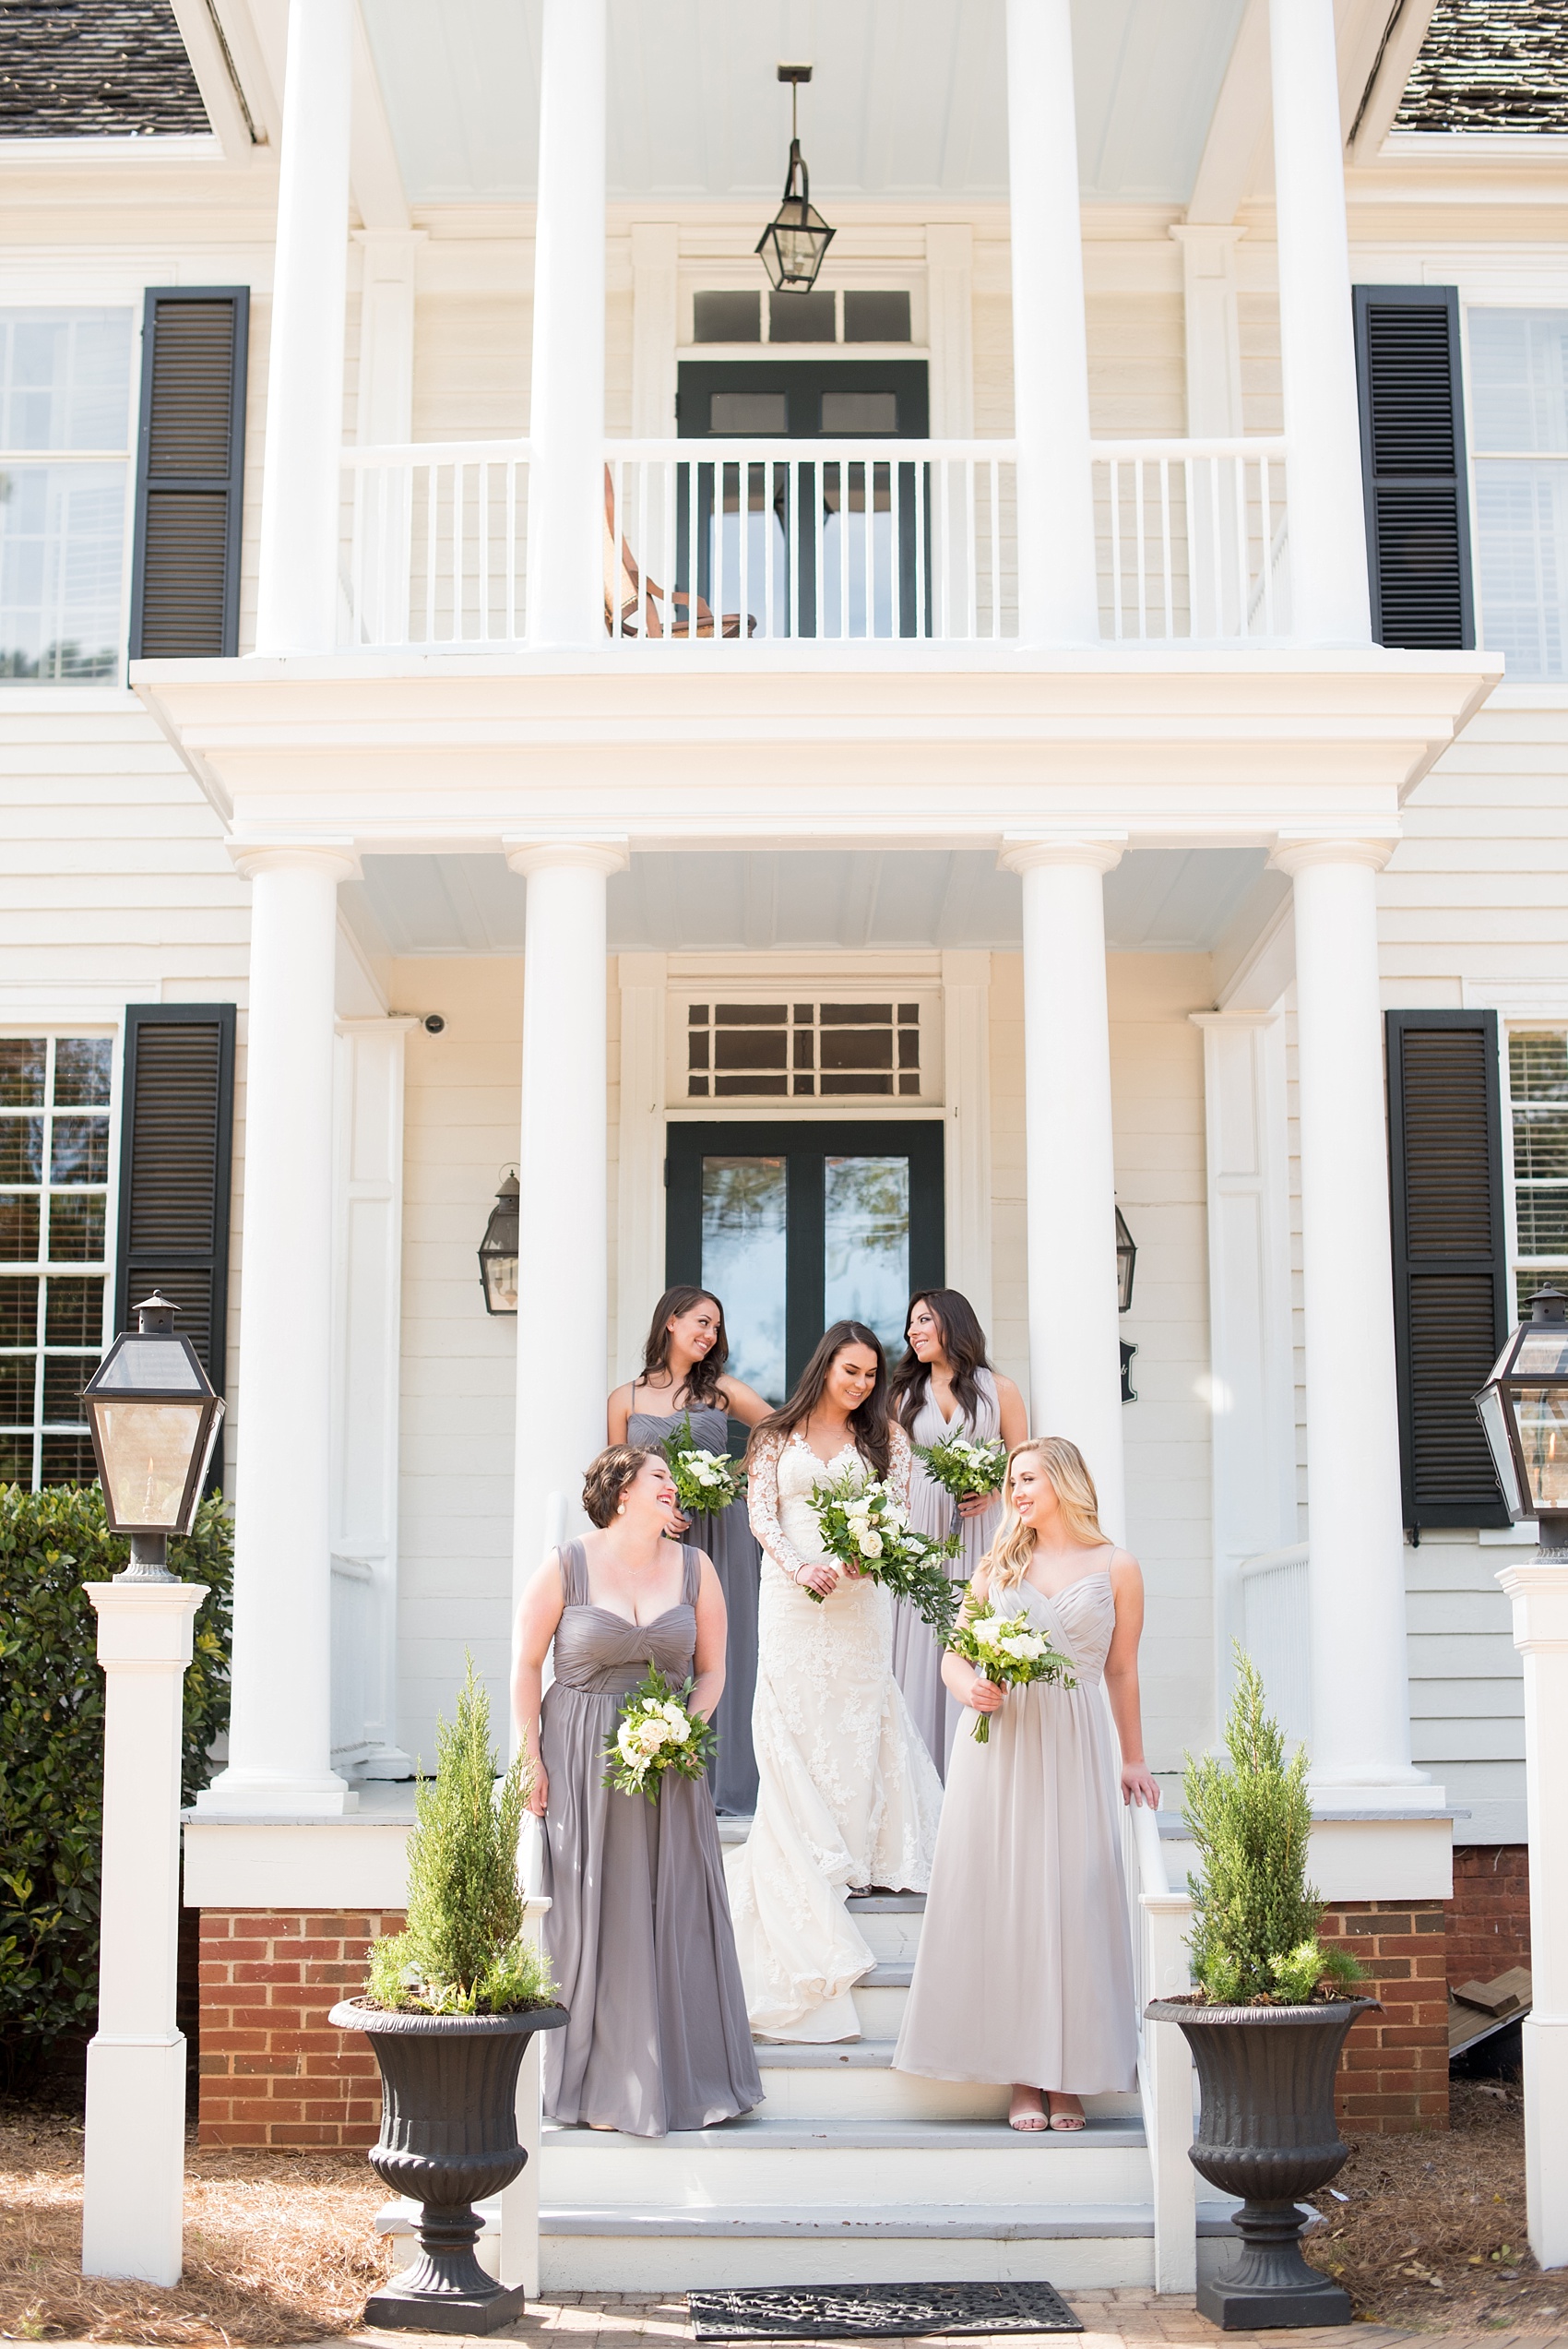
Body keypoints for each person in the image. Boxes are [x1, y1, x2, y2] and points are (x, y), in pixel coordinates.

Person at [894, 1437, 1158, 2132]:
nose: (1016, 1490)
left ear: (1066, 1481)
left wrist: (1134, 1758)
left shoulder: (1116, 1567)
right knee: (1006, 1899)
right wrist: (970, 1688)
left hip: (1074, 1742)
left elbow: (1122, 1670)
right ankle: (1020, 2076)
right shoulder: (998, 1566)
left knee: (1073, 1896)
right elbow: (953, 1655)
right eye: (1012, 1480)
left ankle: (1067, 2074)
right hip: (1000, 1746)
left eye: (1028, 1477)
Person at [512, 1443, 762, 2137]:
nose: (672, 1489)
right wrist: (532, 1757)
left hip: (669, 1761)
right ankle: (588, 2082)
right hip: (580, 1750)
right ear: (621, 1490)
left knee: (671, 1903)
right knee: (586, 1907)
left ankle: (681, 2078)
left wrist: (685, 1726)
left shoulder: (695, 1567)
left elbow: (712, 1670)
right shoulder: (566, 1563)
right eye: (661, 1478)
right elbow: (527, 1666)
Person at [724, 1322, 943, 2045]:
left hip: (859, 1599)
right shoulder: (772, 1439)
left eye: (871, 1377)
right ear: (825, 1367)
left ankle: (863, 1852)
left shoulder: (888, 1443)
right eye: (850, 1372)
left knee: (856, 1713)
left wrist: (865, 1561)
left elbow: (900, 1520)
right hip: (792, 1596)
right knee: (796, 1714)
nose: (861, 1386)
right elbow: (761, 1518)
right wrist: (800, 1567)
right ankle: (810, 1847)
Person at [608, 1287, 771, 1814]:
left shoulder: (720, 1390)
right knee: (664, 1644)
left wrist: (733, 1479)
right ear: (671, 1322)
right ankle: (662, 1762)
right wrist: (650, 1514)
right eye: (702, 1322)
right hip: (656, 1542)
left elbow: (777, 1430)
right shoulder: (624, 1400)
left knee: (728, 1645)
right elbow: (613, 1482)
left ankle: (731, 1782)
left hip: (723, 1530)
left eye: (717, 1328)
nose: (710, 1334)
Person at [887, 1290, 1028, 1776]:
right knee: (923, 1635)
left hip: (982, 1530)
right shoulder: (903, 1394)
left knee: (974, 1631)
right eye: (911, 1324)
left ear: (953, 1323)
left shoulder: (1000, 1390)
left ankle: (974, 1764)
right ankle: (920, 1772)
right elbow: (892, 1471)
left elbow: (1025, 1465)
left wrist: (994, 1490)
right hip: (920, 1529)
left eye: (923, 1320)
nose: (912, 1332)